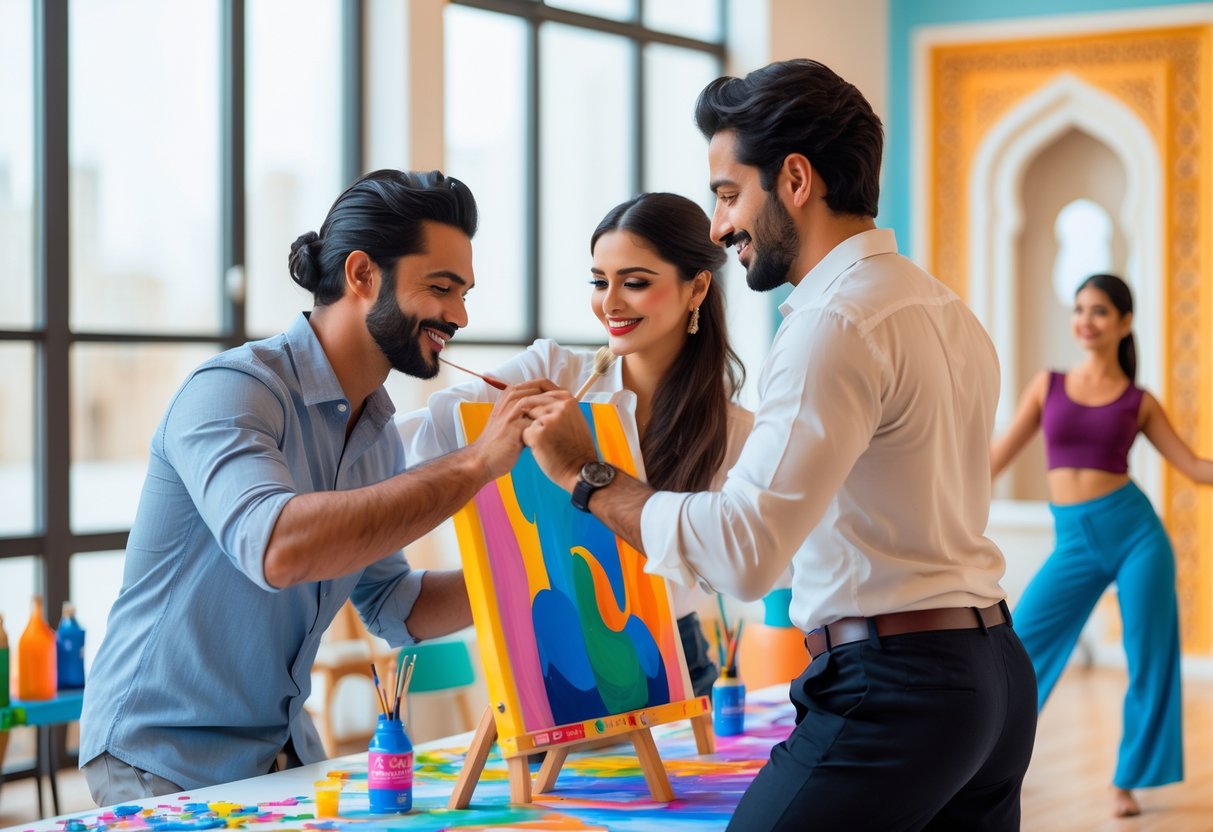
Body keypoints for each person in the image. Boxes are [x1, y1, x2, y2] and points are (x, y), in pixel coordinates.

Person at [519, 59, 1038, 830]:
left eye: (729, 195)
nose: (720, 226)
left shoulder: (832, 324)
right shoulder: (940, 308)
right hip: (990, 671)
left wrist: (585, 475)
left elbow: (743, 553)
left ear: (794, 179)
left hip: (898, 688)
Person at [79, 169, 551, 805]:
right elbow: (278, 548)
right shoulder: (232, 390)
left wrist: (528, 569)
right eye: (441, 288)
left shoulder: (378, 433)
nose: (459, 315)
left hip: (282, 752)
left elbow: (393, 604)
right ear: (362, 276)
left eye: (463, 292)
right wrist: (477, 463)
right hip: (161, 756)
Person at [397, 192, 754, 699]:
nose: (609, 303)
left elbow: (724, 569)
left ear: (696, 287)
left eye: (634, 283)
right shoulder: (552, 371)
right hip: (547, 656)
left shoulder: (737, 434)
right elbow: (427, 434)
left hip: (669, 661)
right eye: (598, 282)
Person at [991, 273, 1196, 818]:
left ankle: (1127, 780)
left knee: (1149, 657)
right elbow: (993, 460)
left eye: (1100, 310)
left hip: (1136, 536)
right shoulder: (1049, 384)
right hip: (1075, 541)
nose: (1085, 319)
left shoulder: (1139, 401)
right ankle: (987, 764)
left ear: (1125, 323)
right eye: (1080, 308)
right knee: (1018, 649)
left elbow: (1195, 467)